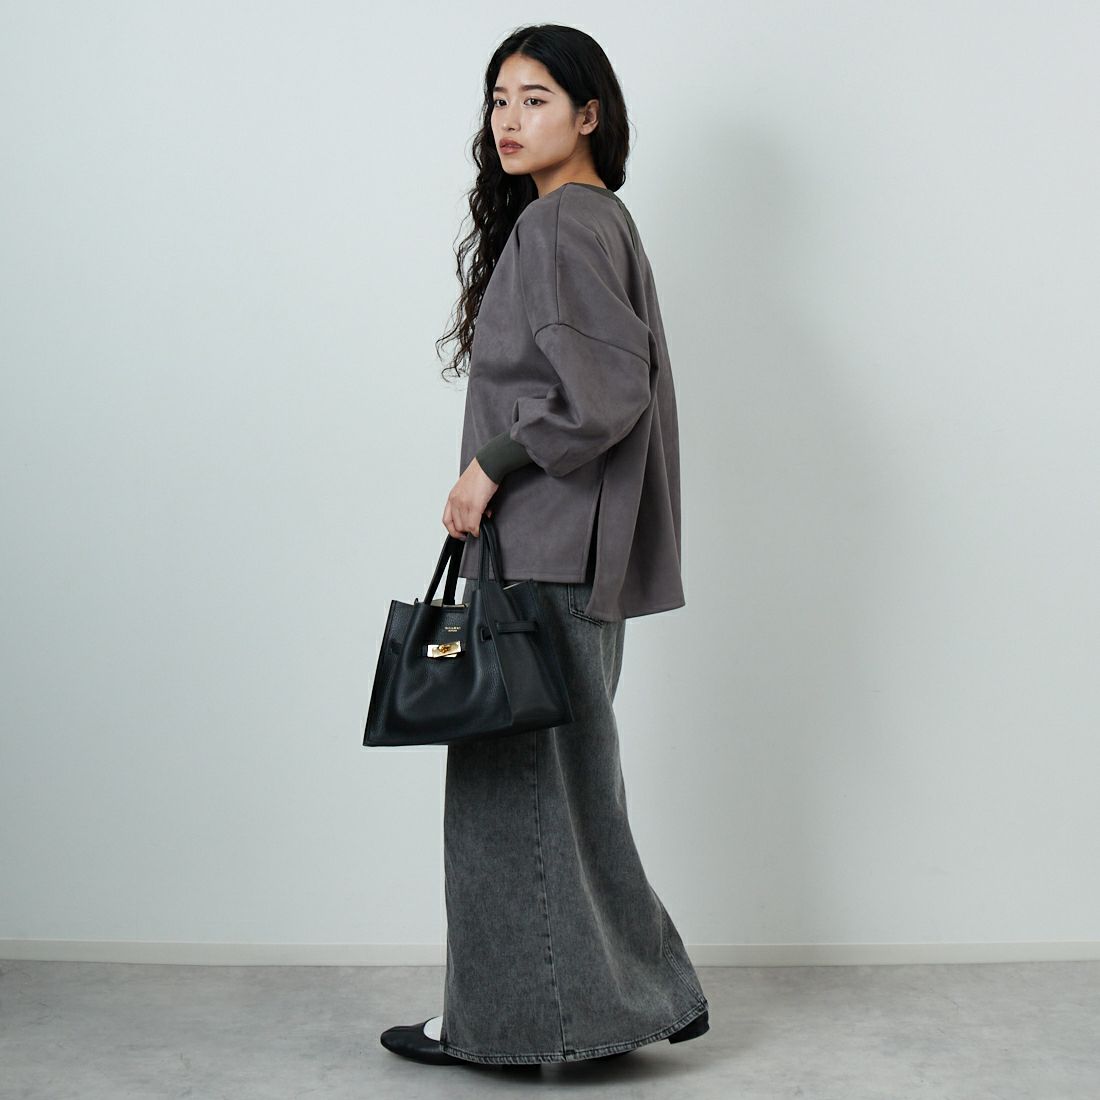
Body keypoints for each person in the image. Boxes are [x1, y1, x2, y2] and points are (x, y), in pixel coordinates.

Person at [380, 23, 710, 1067]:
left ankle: (525, 1023)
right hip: (570, 556)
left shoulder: (565, 224)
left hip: (542, 552)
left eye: (535, 99)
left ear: (588, 114)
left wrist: (489, 465)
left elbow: (605, 392)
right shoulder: (598, 219)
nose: (509, 120)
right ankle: (625, 1000)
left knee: (509, 797)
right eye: (498, 100)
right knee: (567, 793)